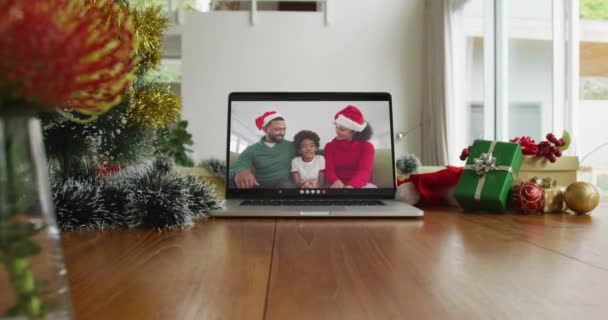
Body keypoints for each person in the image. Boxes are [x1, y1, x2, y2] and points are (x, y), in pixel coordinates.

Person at [228, 111, 296, 188]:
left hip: (283, 187)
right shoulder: (252, 149)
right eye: (278, 129)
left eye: (284, 129)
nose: (282, 133)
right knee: (230, 181)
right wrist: (241, 171)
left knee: (286, 186)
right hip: (260, 187)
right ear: (265, 129)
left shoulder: (291, 146)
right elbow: (239, 165)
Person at [324, 105, 376, 188]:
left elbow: (364, 171)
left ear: (354, 131)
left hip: (362, 184)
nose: (337, 131)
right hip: (338, 185)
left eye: (342, 129)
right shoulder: (330, 146)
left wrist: (351, 186)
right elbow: (329, 170)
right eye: (336, 127)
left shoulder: (367, 147)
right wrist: (335, 181)